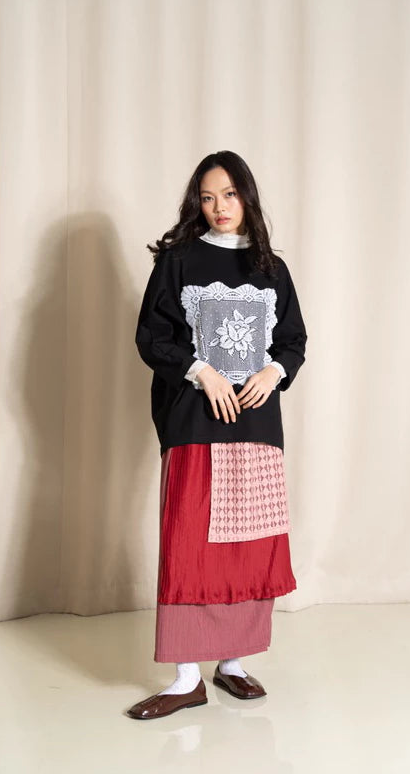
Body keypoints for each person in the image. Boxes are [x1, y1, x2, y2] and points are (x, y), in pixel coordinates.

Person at [126, 150, 308, 719]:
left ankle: (232, 663)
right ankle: (186, 677)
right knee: (190, 543)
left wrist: (273, 371)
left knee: (246, 545)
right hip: (195, 422)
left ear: (247, 198)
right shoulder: (177, 261)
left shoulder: (271, 268)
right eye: (207, 196)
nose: (219, 207)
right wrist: (201, 370)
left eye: (229, 194)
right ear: (195, 202)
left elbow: (294, 340)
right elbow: (151, 335)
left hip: (255, 424)